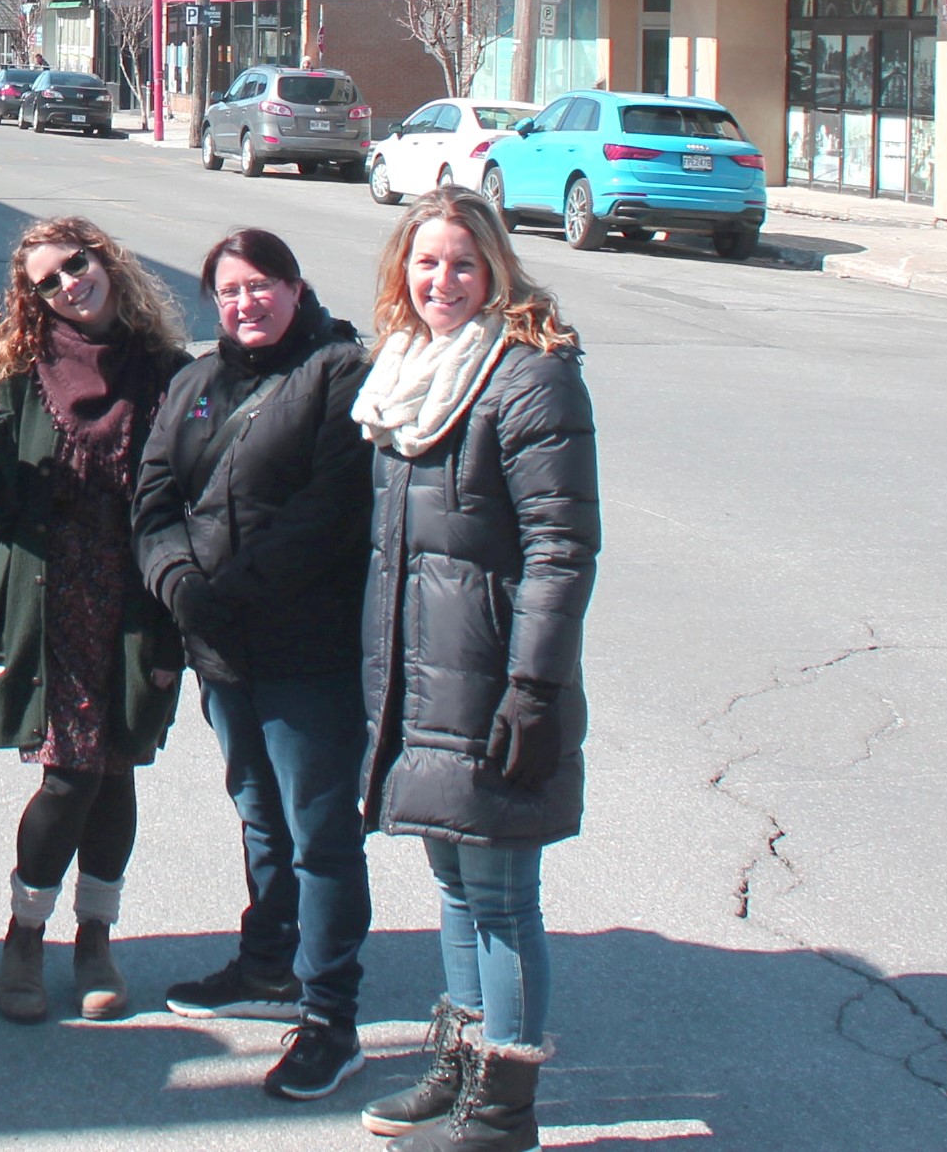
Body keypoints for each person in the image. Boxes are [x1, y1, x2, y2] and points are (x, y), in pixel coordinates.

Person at [351, 186, 600, 1152]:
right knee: (454, 883)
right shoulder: (407, 370)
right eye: (424, 262)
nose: (441, 280)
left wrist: (534, 688)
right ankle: (460, 1063)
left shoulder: (529, 376)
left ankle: (506, 1103)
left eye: (461, 262)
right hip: (421, 674)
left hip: (496, 677)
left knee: (499, 896)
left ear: (495, 265)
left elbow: (560, 548)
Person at [130, 226, 375, 1104]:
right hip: (220, 648)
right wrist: (178, 586)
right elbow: (153, 497)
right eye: (229, 290)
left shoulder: (338, 372)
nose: (245, 303)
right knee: (258, 814)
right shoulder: (194, 381)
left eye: (261, 284)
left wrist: (225, 591)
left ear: (296, 286)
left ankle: (329, 1017)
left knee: (319, 833)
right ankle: (268, 960)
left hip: (307, 650)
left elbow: (329, 513)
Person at [0, 217, 191, 1027]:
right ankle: (25, 935)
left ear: (105, 258)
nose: (66, 285)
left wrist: (173, 630)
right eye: (46, 280)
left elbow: (188, 499)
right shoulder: (16, 368)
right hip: (47, 599)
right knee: (68, 773)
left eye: (75, 265)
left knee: (115, 767)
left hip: (133, 597)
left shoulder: (163, 370)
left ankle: (94, 937)